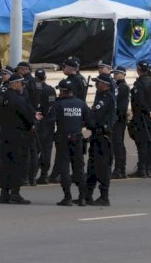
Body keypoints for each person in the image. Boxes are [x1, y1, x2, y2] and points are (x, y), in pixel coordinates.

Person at [45, 78, 91, 206]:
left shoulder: (57, 104)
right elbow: (90, 122)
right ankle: (82, 197)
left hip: (63, 138)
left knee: (64, 168)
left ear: (63, 91)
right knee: (79, 168)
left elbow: (50, 121)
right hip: (77, 138)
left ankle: (68, 197)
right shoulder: (81, 103)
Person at [0, 73, 35, 205]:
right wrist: (32, 125)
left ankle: (4, 194)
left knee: (6, 164)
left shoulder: (3, 97)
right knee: (18, 164)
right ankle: (15, 193)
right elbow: (28, 117)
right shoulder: (19, 99)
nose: (22, 86)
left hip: (5, 134)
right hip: (18, 136)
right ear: (15, 84)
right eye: (21, 83)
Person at [85, 74, 116, 206]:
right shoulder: (100, 96)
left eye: (98, 83)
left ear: (106, 85)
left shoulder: (106, 98)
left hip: (103, 137)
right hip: (96, 136)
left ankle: (104, 196)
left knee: (102, 167)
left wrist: (86, 118)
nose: (96, 85)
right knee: (92, 167)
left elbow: (95, 116)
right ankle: (87, 195)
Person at [128, 61, 151, 178]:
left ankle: (143, 169)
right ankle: (150, 168)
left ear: (138, 69)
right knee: (150, 143)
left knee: (142, 144)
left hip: (142, 117)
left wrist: (148, 112)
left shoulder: (139, 85)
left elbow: (140, 102)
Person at [33, 69, 56, 185]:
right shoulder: (50, 90)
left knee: (35, 150)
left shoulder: (34, 90)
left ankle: (32, 175)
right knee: (46, 150)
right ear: (45, 77)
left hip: (38, 122)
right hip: (49, 123)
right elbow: (51, 107)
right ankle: (44, 175)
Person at [111, 67, 130, 179]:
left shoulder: (122, 87)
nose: (115, 75)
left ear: (123, 74)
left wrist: (117, 117)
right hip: (117, 118)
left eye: (117, 73)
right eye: (114, 73)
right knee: (116, 144)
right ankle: (119, 168)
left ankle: (120, 168)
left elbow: (121, 106)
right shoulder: (117, 86)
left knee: (118, 144)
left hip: (119, 120)